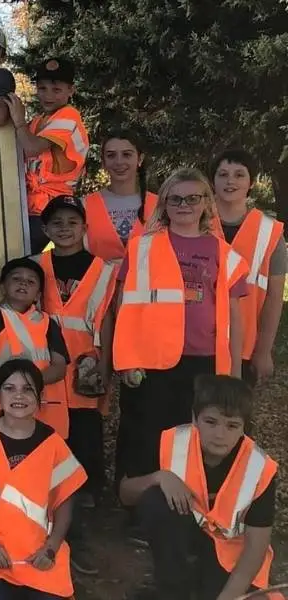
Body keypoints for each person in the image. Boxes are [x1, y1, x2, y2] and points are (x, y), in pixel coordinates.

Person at [112, 168, 250, 487]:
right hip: (150, 362)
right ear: (163, 204)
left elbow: (233, 316)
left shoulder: (223, 253)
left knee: (193, 437)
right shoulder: (141, 248)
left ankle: (189, 504)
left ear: (206, 203)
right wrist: (126, 360)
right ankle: (141, 509)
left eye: (192, 198)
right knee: (147, 435)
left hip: (202, 361)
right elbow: (124, 308)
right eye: (175, 198)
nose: (183, 204)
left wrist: (234, 374)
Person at [118, 375, 279, 600]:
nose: (219, 434)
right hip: (185, 543)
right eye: (210, 422)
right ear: (195, 418)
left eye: (232, 425)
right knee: (155, 500)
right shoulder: (170, 440)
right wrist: (159, 477)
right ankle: (173, 590)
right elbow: (126, 494)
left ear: (245, 428)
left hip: (232, 559)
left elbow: (256, 546)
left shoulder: (260, 468)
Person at [32, 195, 118, 575]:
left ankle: (82, 525)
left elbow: (109, 319)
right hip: (46, 367)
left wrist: (106, 362)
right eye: (56, 223)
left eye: (72, 221)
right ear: (46, 229)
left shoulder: (103, 270)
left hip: (85, 367)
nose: (64, 228)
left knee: (85, 442)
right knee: (49, 443)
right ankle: (45, 518)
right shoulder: (36, 266)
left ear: (85, 227)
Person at [0, 359, 87, 600]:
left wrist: (50, 549)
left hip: (40, 552)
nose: (19, 396)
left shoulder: (54, 444)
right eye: (9, 388)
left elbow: (65, 503)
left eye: (27, 389)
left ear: (39, 395)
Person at [209, 149, 286, 386]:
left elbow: (274, 299)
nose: (230, 181)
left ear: (251, 182)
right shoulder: (195, 223)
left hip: (243, 347)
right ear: (212, 181)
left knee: (232, 417)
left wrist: (263, 352)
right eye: (223, 174)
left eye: (239, 175)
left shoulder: (270, 232)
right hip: (197, 344)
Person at [0, 257, 70, 438]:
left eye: (31, 281)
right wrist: (9, 388)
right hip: (1, 406)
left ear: (39, 295)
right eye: (16, 278)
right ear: (2, 287)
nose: (23, 283)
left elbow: (59, 367)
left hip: (45, 407)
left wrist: (29, 385)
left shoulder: (49, 323)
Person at [3, 58, 88, 253]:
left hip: (53, 210)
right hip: (31, 207)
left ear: (71, 90)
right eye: (42, 88)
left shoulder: (69, 116)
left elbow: (32, 148)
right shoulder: (39, 121)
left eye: (56, 90)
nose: (48, 95)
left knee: (18, 261)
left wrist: (18, 122)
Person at [82, 131, 160, 261]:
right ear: (104, 161)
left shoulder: (160, 205)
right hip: (100, 280)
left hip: (149, 280)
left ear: (139, 159)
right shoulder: (85, 205)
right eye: (111, 156)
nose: (119, 162)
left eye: (126, 155)